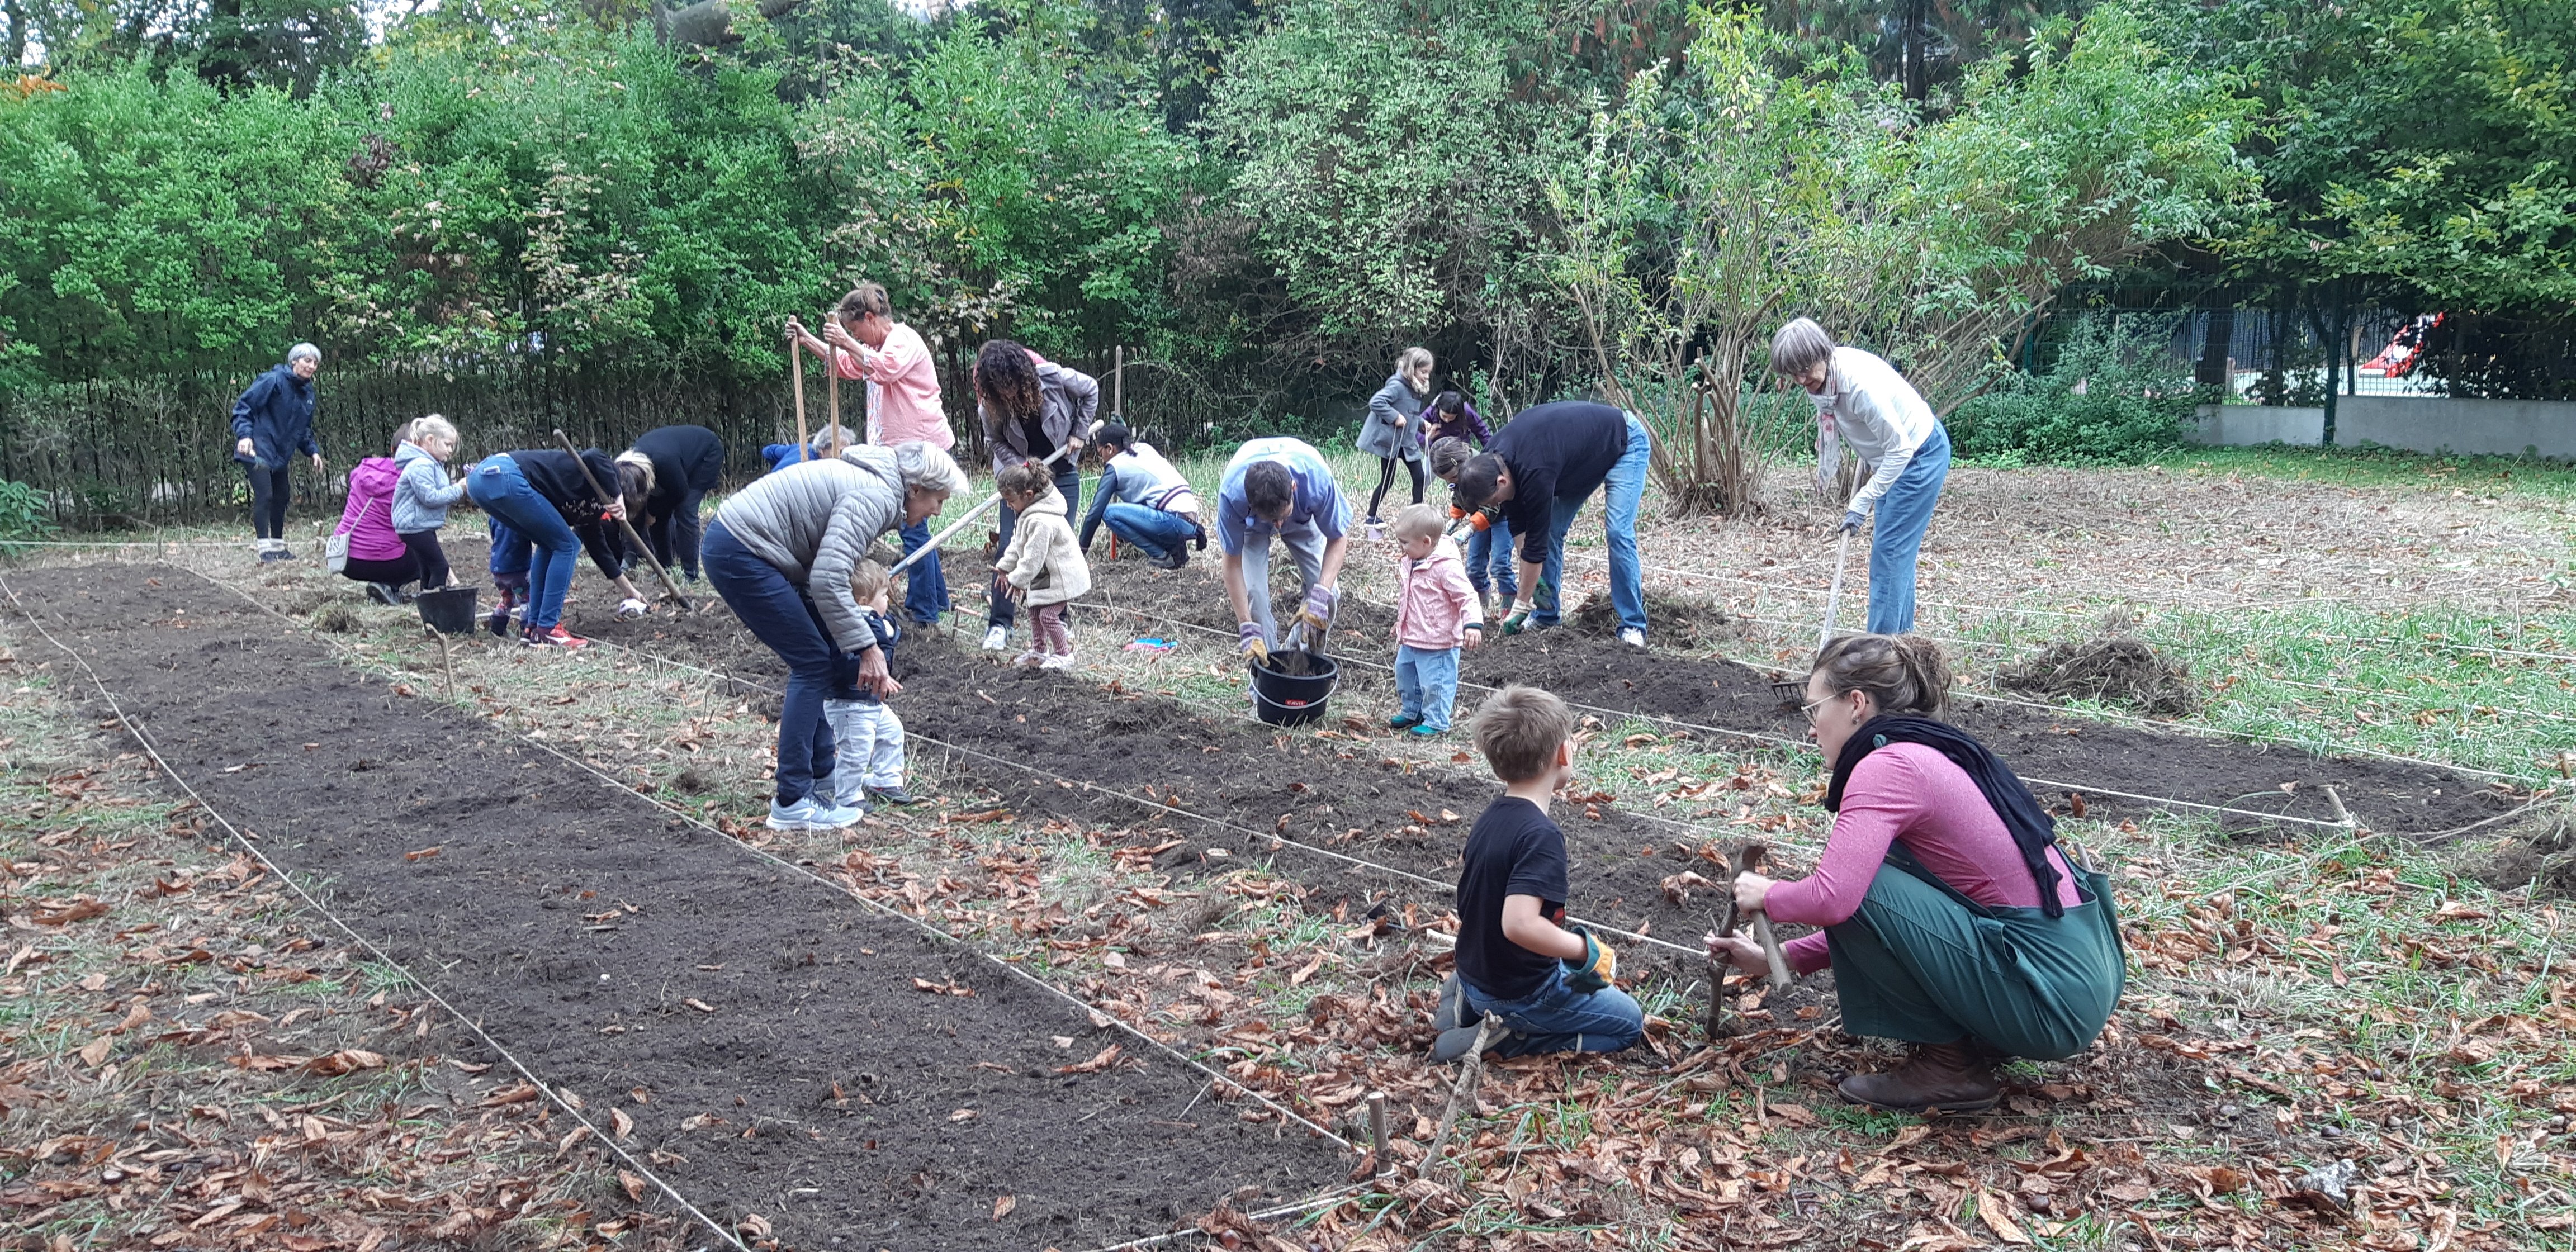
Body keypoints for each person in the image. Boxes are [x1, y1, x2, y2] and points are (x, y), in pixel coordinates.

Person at [1704, 633, 2123, 1113]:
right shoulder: (1933, 751)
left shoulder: (1887, 767)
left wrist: (1767, 894)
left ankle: (1951, 1068)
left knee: (1864, 880)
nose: (1812, 729)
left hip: (2050, 1001)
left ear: (1856, 704)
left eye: (1815, 708)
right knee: (1870, 880)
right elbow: (1903, 916)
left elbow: (1839, 900)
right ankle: (1978, 1033)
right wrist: (1780, 957)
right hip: (2078, 981)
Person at [704, 441, 969, 831]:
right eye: (937, 500)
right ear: (916, 489)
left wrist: (846, 638)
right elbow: (829, 578)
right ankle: (793, 801)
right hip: (743, 549)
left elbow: (828, 570)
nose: (937, 511)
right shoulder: (878, 496)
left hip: (751, 546)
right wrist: (867, 646)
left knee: (823, 655)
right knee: (811, 664)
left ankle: (824, 780)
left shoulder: (877, 487)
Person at [1431, 685, 1643, 1062]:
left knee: (1552, 967)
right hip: (1521, 990)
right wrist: (1584, 950)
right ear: (1563, 753)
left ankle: (1466, 999)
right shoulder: (1542, 837)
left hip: (1479, 970)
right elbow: (1520, 926)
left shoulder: (1490, 817)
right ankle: (1508, 1037)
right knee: (1629, 1021)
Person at [1769, 317, 1952, 636]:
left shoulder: (1858, 387)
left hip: (1919, 456)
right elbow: (1832, 413)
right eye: (1792, 373)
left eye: (1805, 369)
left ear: (1823, 353)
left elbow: (1900, 450)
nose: (1800, 379)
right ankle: (1901, 646)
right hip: (1890, 459)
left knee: (1890, 556)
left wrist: (1864, 499)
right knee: (1895, 556)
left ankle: (1877, 659)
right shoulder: (1820, 378)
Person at [793, 283, 954, 628]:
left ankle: (925, 612)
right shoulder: (873, 348)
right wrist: (809, 340)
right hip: (898, 452)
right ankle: (937, 601)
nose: (857, 338)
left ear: (870, 317)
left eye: (856, 329)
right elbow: (849, 366)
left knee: (913, 530)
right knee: (917, 530)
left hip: (922, 451)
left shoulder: (902, 340)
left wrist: (847, 341)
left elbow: (886, 367)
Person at [1449, 401, 1652, 647]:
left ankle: (1633, 625)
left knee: (1618, 532)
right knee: (1552, 532)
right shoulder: (1492, 460)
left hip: (1623, 442)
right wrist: (1532, 583)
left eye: (1494, 501)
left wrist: (1521, 605)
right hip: (1579, 461)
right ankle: (1547, 616)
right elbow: (1520, 525)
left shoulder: (1535, 471)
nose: (1496, 506)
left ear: (1502, 482)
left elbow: (1535, 544)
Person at [974, 339, 1096, 652]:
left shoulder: (1051, 376)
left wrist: (1079, 433)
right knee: (1009, 546)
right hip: (1018, 480)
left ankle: (1059, 619)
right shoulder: (990, 406)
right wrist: (1021, 468)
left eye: (1011, 385)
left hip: (1061, 472)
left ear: (1023, 375)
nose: (1009, 395)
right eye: (1000, 390)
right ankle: (1000, 624)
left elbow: (1091, 389)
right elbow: (995, 442)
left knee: (1057, 547)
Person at [466, 446, 651, 649]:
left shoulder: (589, 506)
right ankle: (549, 629)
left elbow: (599, 549)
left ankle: (534, 628)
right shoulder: (606, 474)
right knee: (568, 545)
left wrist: (629, 590)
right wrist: (618, 497)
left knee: (551, 544)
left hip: (481, 483)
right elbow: (593, 455)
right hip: (503, 475)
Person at [1215, 437, 1352, 660]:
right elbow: (1232, 563)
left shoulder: (1315, 480)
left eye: (1282, 516)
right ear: (1250, 504)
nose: (1278, 526)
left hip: (1302, 516)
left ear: (1294, 488)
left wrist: (1319, 595)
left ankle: (1300, 662)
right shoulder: (1233, 496)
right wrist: (1246, 627)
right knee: (1255, 599)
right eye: (1272, 519)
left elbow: (1338, 537)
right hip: (1254, 528)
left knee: (1326, 597)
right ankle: (1266, 675)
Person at [823, 562, 921, 810]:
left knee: (892, 733)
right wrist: (881, 676)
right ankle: (848, 796)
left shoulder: (876, 622)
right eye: (884, 596)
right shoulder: (852, 628)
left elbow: (885, 643)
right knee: (856, 751)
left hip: (870, 701)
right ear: (865, 602)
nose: (888, 600)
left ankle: (885, 780)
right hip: (849, 702)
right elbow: (849, 665)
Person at [1386, 504, 1481, 736]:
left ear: (1426, 542)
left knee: (1435, 682)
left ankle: (1436, 720)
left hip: (1438, 640)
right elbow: (1409, 596)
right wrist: (1401, 622)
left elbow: (1467, 596)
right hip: (1412, 636)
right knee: (1405, 674)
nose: (1401, 547)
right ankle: (1412, 710)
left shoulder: (1446, 567)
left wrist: (1473, 625)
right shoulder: (1412, 560)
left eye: (1405, 542)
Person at [230, 343, 326, 562]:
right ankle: (264, 550)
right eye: (307, 361)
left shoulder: (308, 394)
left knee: (282, 497)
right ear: (294, 361)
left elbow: (303, 430)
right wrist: (245, 436)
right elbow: (243, 409)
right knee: (266, 495)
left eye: (315, 363)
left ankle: (278, 547)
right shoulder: (272, 381)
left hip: (280, 454)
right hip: (257, 448)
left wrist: (313, 452)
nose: (311, 366)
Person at [992, 462, 1092, 670]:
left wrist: (1016, 580)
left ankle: (1064, 656)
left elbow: (1032, 559)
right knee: (1035, 612)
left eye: (1011, 501)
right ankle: (1039, 651)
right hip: (1047, 577)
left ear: (1028, 494)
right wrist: (1004, 567)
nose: (1009, 506)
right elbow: (1017, 544)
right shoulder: (1028, 514)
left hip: (1063, 578)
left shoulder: (1041, 521)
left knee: (1048, 615)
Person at [1077, 421, 1204, 571]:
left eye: (1100, 453)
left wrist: (1081, 550)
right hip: (1190, 521)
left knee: (1109, 513)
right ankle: (1174, 550)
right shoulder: (1144, 449)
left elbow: (1095, 513)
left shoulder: (1115, 467)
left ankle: (1162, 555)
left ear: (1109, 448)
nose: (1101, 458)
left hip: (1172, 521)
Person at [624, 424, 725, 582]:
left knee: (685, 511)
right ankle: (663, 568)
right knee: (657, 515)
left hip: (705, 455)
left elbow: (680, 492)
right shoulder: (626, 468)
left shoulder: (663, 462)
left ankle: (690, 573)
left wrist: (652, 512)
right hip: (674, 461)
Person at [1428, 436, 1514, 616]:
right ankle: (1479, 604)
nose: (1451, 482)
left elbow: (1492, 505)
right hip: (1477, 518)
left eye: (1453, 477)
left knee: (1499, 563)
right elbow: (1457, 491)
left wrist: (1469, 530)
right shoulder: (1457, 475)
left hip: (1501, 517)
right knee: (1474, 567)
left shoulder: (1480, 469)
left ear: (1463, 465)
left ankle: (1510, 605)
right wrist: (1456, 516)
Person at [332, 428, 418, 604]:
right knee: (426, 553)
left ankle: (382, 587)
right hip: (385, 561)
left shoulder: (365, 468)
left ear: (393, 449)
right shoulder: (408, 482)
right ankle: (390, 585)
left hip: (345, 558)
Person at [1359, 348, 1433, 532]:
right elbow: (1376, 402)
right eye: (1424, 372)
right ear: (1412, 368)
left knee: (1419, 477)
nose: (1426, 377)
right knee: (1388, 480)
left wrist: (1421, 422)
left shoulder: (1415, 388)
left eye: (1428, 373)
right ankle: (1371, 517)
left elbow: (1410, 413)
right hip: (1391, 442)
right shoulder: (1397, 386)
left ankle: (1418, 518)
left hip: (1407, 442)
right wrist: (1394, 416)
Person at [392, 415, 466, 594]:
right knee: (440, 568)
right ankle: (437, 610)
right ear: (430, 440)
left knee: (427, 570)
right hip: (415, 526)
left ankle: (428, 615)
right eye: (447, 444)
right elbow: (431, 498)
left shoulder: (430, 463)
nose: (450, 450)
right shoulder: (421, 464)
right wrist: (460, 488)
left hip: (421, 525)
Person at [1416, 390, 1492, 452]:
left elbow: (1482, 431)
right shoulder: (1431, 412)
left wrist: (1490, 451)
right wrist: (1428, 438)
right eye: (1444, 416)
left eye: (1451, 418)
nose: (1447, 420)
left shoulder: (1467, 412)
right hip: (1436, 454)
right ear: (1439, 408)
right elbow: (1414, 431)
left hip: (1461, 451)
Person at [762, 426, 856, 474]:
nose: (843, 456)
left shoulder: (803, 447)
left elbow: (768, 451)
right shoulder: (811, 468)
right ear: (822, 450)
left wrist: (778, 465)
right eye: (839, 452)